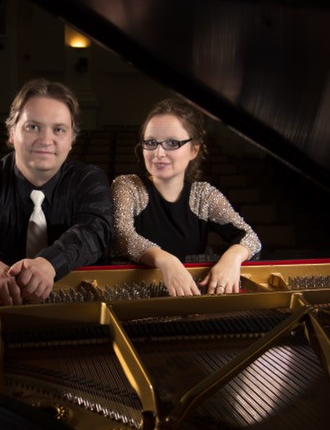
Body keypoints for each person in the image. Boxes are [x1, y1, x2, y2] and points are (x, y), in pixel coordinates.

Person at [0, 78, 113, 306]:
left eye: (59, 129)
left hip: (72, 306)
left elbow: (94, 229)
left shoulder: (88, 180)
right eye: (33, 127)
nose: (46, 140)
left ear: (71, 140)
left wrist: (49, 263)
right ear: (11, 132)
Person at [111, 96, 261, 296]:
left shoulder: (203, 195)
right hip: (131, 297)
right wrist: (166, 260)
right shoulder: (128, 186)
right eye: (151, 142)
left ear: (194, 150)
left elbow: (250, 237)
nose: (158, 153)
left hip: (187, 296)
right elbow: (122, 236)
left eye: (172, 143)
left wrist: (232, 258)